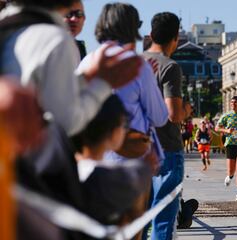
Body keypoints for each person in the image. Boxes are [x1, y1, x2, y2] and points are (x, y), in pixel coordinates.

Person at [0, 0, 142, 137]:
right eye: (72, 13)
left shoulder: (8, 24)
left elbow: (39, 89)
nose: (75, 18)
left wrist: (85, 77)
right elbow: (65, 123)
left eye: (79, 14)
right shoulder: (54, 39)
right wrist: (104, 83)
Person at [78, 3, 168, 166]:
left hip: (90, 159)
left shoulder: (86, 62)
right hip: (129, 160)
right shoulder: (137, 66)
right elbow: (160, 117)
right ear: (131, 28)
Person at [143, 12, 192, 240]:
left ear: (151, 34)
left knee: (137, 223)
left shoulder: (132, 63)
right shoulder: (169, 66)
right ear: (176, 38)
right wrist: (186, 111)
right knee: (162, 221)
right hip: (166, 150)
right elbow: (173, 114)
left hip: (134, 150)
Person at [71, 95, 153, 225]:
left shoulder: (65, 167)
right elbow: (135, 217)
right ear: (114, 131)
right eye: (125, 124)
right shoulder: (110, 180)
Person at [215, 96, 237, 201]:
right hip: (230, 145)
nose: (233, 104)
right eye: (231, 102)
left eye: (235, 102)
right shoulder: (226, 116)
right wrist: (226, 131)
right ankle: (229, 176)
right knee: (231, 171)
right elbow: (217, 128)